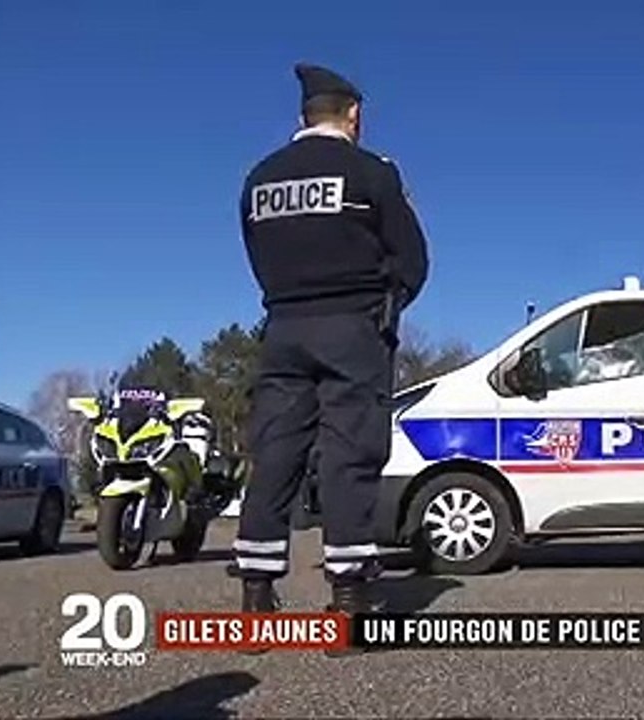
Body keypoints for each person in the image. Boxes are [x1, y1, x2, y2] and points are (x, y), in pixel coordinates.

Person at [229, 62, 429, 653]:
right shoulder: (372, 173)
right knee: (349, 456)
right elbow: (412, 257)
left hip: (284, 327)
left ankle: (256, 602)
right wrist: (386, 304)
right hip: (353, 329)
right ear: (354, 116)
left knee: (275, 457)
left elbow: (254, 251)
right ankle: (347, 602)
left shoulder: (259, 179)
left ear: (301, 117)